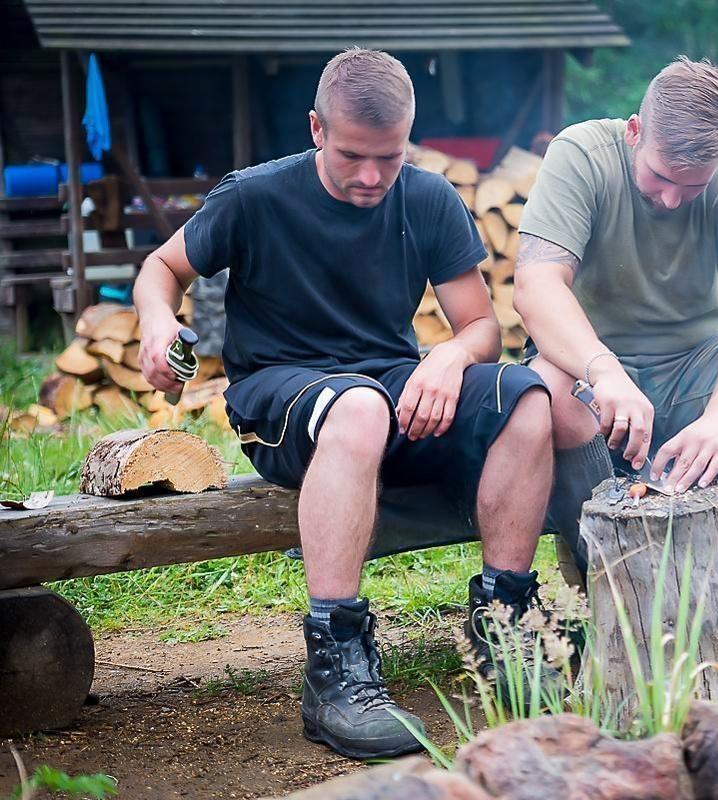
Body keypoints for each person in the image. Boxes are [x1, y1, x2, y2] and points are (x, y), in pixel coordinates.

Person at [134, 48, 554, 759]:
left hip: (389, 389)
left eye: (389, 157)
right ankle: (335, 668)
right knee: (359, 407)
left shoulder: (428, 198)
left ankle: (506, 623)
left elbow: (480, 326)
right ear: (317, 129)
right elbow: (161, 267)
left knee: (528, 398)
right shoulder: (254, 196)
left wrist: (448, 357)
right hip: (280, 396)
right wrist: (155, 322)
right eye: (353, 156)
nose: (370, 176)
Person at [514, 57, 718, 676]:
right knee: (545, 392)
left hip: (696, 364)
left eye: (693, 186)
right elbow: (535, 286)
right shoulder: (580, 154)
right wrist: (603, 370)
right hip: (591, 370)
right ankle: (603, 585)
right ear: (635, 131)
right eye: (661, 177)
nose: (671, 198)